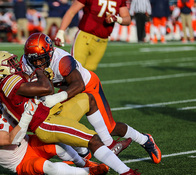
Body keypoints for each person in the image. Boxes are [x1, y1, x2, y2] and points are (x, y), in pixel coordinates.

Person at [0, 50, 154, 175]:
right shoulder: (8, 82)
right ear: (0, 70)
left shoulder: (10, 82)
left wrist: (41, 76)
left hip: (49, 111)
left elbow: (44, 88)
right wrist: (40, 71)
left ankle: (108, 145)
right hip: (45, 123)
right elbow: (46, 89)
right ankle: (127, 174)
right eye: (10, 63)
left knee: (88, 99)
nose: (15, 64)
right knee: (93, 140)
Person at [21, 33, 161, 165]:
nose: (38, 63)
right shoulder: (26, 62)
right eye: (34, 60)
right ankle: (83, 152)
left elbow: (79, 84)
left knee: (109, 127)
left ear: (50, 53)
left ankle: (145, 140)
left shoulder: (61, 60)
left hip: (86, 85)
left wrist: (56, 97)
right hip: (65, 88)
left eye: (42, 58)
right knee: (59, 124)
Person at [0, 87, 109, 175]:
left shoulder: (3, 106)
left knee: (57, 143)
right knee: (47, 167)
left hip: (29, 143)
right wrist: (27, 115)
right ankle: (87, 172)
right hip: (19, 162)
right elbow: (11, 139)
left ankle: (84, 162)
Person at [54, 0, 131, 71]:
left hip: (102, 41)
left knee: (89, 75)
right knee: (75, 71)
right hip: (85, 37)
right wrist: (61, 32)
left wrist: (117, 19)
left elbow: (127, 19)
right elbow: (71, 11)